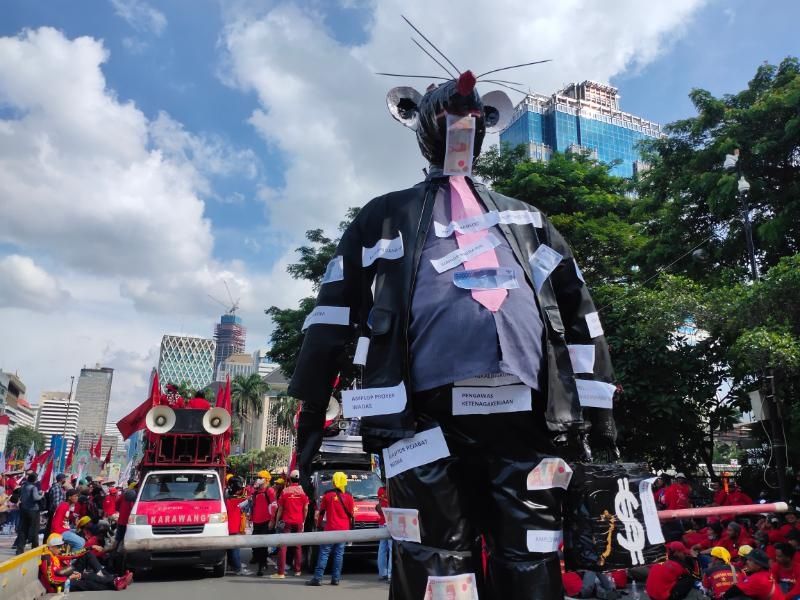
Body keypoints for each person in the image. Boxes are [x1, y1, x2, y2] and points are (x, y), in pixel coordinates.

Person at [291, 67, 618, 599]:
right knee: (432, 555)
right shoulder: (384, 215)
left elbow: (581, 314)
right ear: (418, 124)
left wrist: (599, 409)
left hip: (530, 418)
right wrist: (310, 409)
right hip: (419, 417)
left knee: (531, 552)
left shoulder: (529, 220)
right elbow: (333, 311)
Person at [39, 533, 132, 592]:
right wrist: (68, 578)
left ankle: (115, 580)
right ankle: (114, 584)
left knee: (89, 576)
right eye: (58, 546)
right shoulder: (46, 558)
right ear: (51, 547)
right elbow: (51, 579)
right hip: (60, 585)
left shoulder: (56, 554)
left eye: (61, 546)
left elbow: (73, 554)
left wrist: (90, 548)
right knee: (88, 584)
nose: (61, 548)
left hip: (67, 576)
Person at [307, 471, 354, 587]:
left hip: (330, 529)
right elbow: (352, 514)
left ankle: (318, 578)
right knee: (339, 554)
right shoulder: (349, 496)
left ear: (334, 481)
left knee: (324, 553)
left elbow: (321, 513)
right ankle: (336, 579)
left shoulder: (327, 495)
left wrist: (318, 526)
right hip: (344, 530)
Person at [271, 469, 309, 579]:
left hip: (287, 521)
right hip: (298, 521)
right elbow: (306, 508)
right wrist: (303, 520)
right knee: (298, 546)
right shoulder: (302, 492)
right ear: (299, 479)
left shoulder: (285, 491)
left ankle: (281, 573)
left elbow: (280, 508)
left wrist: (277, 521)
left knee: (283, 546)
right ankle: (298, 570)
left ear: (290, 479)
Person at [224, 476, 249, 576]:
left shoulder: (225, 497)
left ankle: (231, 565)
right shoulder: (236, 500)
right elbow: (249, 500)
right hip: (233, 527)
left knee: (230, 548)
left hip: (227, 527)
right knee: (235, 548)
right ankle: (237, 568)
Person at [249, 478, 274, 576]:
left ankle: (262, 565)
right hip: (256, 521)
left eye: (260, 478)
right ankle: (259, 561)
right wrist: (251, 518)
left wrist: (272, 520)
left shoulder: (269, 491)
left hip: (266, 521)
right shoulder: (255, 492)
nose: (258, 480)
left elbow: (274, 505)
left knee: (263, 544)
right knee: (256, 543)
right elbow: (253, 506)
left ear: (266, 481)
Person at [16, 472, 43, 554]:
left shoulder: (23, 486)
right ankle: (34, 548)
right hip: (33, 510)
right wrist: (41, 495)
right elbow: (35, 497)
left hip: (24, 509)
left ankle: (20, 549)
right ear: (34, 479)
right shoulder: (33, 488)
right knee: (34, 529)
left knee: (23, 529)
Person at [43, 473, 67, 540]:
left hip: (56, 511)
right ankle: (47, 541)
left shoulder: (60, 487)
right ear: (62, 479)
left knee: (52, 527)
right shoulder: (56, 488)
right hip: (55, 511)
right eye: (65, 478)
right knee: (51, 527)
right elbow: (56, 502)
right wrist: (59, 512)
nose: (65, 480)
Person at [376, 485, 392, 582]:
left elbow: (380, 505)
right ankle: (390, 575)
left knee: (382, 549)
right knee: (391, 550)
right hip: (391, 522)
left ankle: (382, 573)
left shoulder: (380, 490)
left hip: (382, 522)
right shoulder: (393, 489)